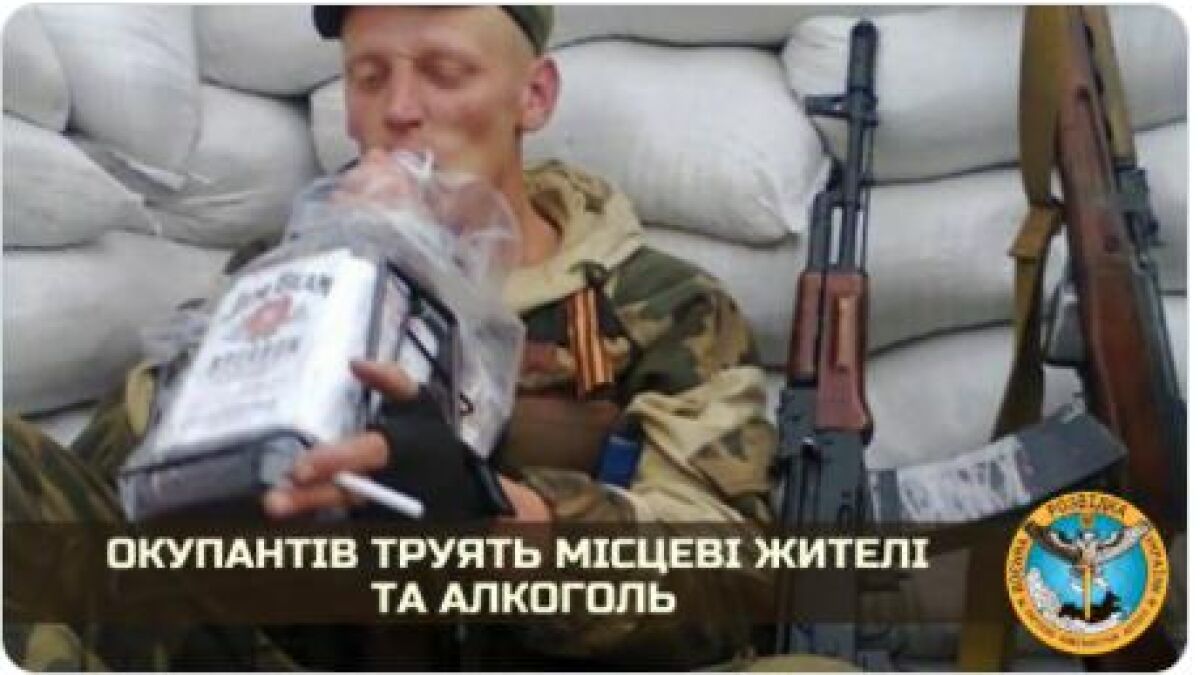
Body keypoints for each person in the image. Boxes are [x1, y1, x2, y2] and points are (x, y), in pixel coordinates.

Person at [4, 6, 779, 670]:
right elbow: (105, 494)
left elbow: (732, 578)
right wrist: (332, 280)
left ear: (534, 95)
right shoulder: (281, 273)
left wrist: (489, 514)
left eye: (445, 72)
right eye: (369, 77)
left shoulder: (658, 306)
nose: (400, 109)